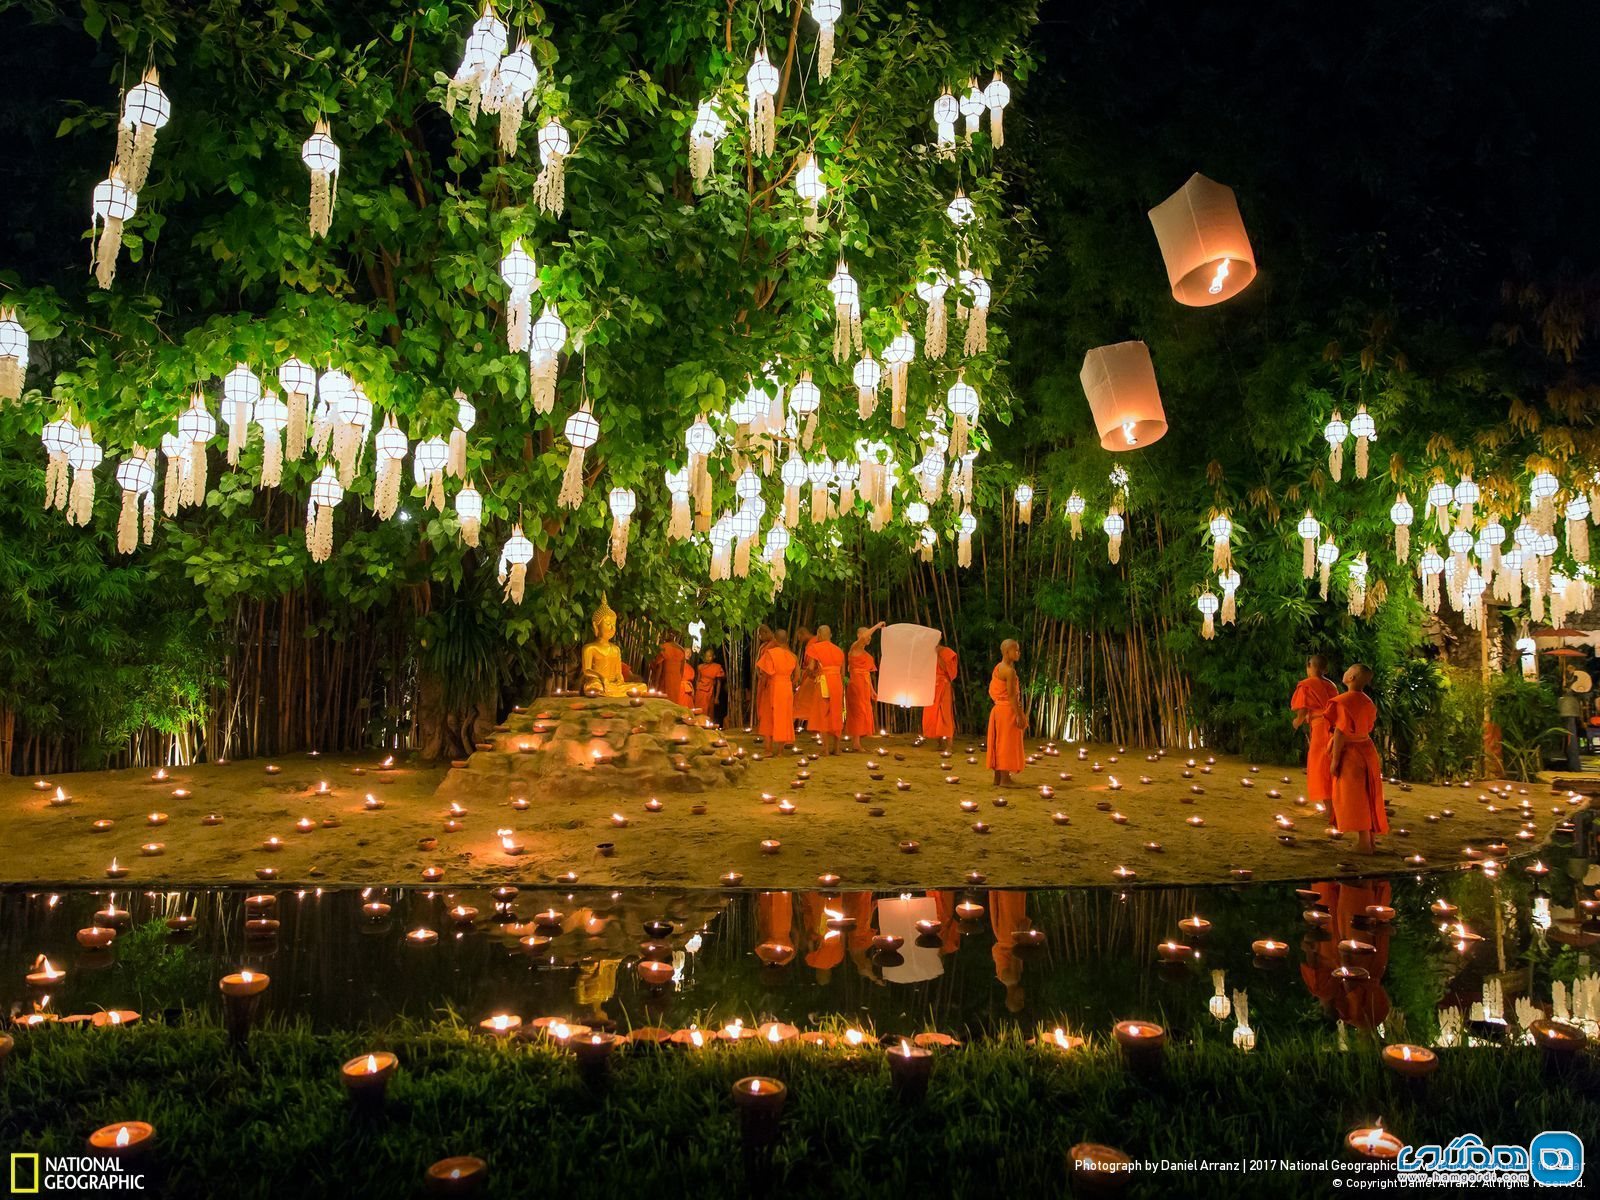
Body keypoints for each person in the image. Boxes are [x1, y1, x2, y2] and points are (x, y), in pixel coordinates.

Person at [1326, 663, 1387, 854]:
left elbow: (1340, 732)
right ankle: (1370, 840)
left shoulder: (1343, 701)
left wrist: (1335, 761)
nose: (1344, 672)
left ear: (1351, 677)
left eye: (1348, 670)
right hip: (1367, 751)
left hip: (1351, 753)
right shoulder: (1368, 701)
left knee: (1355, 797)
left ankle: (1363, 842)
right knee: (1368, 794)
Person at [1291, 655, 1340, 806]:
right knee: (1330, 762)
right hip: (1334, 727)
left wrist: (1297, 721)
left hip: (1320, 727)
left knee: (1320, 766)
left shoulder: (1306, 684)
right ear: (1325, 669)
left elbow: (1303, 708)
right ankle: (1335, 805)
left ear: (1310, 666)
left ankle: (1330, 809)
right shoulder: (1332, 685)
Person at [986, 639, 1027, 785]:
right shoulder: (1009, 671)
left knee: (999, 742)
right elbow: (1011, 696)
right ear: (1006, 652)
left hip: (998, 709)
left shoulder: (998, 668)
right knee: (1006, 744)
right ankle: (1005, 778)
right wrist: (1019, 715)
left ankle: (998, 777)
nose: (1018, 653)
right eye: (1015, 650)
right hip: (1007, 710)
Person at [804, 625, 848, 755]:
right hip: (837, 683)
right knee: (837, 713)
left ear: (818, 634)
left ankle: (826, 749)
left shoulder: (814, 648)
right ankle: (837, 748)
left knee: (823, 715)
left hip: (823, 682)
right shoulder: (839, 650)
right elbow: (842, 672)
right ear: (831, 635)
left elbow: (811, 668)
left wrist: (809, 674)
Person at [845, 622, 887, 751]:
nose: (868, 638)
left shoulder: (866, 654)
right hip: (856, 683)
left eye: (870, 636)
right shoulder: (855, 648)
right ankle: (856, 744)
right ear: (859, 635)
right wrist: (878, 626)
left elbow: (867, 675)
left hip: (864, 684)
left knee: (863, 711)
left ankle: (857, 742)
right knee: (858, 711)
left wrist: (872, 690)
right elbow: (863, 638)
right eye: (866, 634)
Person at [755, 630, 798, 747]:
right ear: (787, 640)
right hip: (786, 688)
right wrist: (789, 683)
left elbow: (765, 674)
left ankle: (768, 750)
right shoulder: (793, 656)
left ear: (775, 639)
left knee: (768, 717)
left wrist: (763, 686)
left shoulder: (770, 653)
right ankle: (780, 751)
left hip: (772, 687)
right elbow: (797, 676)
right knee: (783, 717)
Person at [923, 635, 959, 753]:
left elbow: (950, 671)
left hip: (944, 685)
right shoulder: (927, 651)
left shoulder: (947, 652)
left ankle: (949, 745)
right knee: (932, 714)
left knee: (945, 714)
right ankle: (939, 743)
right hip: (931, 685)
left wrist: (938, 655)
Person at [792, 626, 821, 731]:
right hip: (818, 676)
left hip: (812, 676)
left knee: (799, 701)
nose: (799, 640)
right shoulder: (816, 641)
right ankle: (815, 728)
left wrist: (808, 673)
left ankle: (790, 726)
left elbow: (812, 663)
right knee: (813, 702)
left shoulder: (812, 644)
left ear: (802, 634)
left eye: (798, 637)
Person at [750, 624, 774, 731]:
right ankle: (763, 726)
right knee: (761, 702)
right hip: (762, 678)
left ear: (765, 632)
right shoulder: (765, 645)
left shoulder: (773, 645)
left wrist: (763, 678)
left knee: (767, 704)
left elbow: (768, 665)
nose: (759, 637)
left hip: (768, 679)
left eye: (760, 634)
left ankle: (768, 728)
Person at [650, 632, 686, 701]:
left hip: (666, 678)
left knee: (663, 702)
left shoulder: (663, 647)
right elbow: (681, 670)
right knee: (673, 701)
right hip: (676, 680)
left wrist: (656, 684)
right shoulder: (681, 649)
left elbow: (659, 668)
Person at [692, 648, 724, 722]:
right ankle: (699, 724)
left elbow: (719, 683)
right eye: (706, 656)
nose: (708, 658)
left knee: (709, 710)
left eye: (710, 656)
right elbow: (697, 680)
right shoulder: (700, 667)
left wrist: (717, 697)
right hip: (700, 691)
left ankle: (706, 725)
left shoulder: (717, 667)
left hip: (710, 691)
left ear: (713, 657)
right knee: (699, 709)